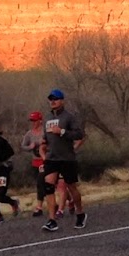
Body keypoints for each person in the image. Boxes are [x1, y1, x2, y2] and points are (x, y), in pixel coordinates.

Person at [41, 89, 86, 231]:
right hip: (52, 158)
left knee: (71, 187)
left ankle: (80, 214)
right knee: (48, 186)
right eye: (50, 99)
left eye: (55, 99)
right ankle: (52, 220)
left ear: (62, 101)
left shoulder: (69, 117)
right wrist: (43, 145)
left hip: (67, 158)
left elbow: (79, 134)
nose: (52, 101)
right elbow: (45, 138)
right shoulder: (47, 118)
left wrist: (61, 131)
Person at [22, 111, 53, 217]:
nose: (33, 123)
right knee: (42, 184)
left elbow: (52, 144)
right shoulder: (29, 134)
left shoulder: (45, 132)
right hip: (35, 162)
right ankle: (56, 203)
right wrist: (30, 147)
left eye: (34, 120)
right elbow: (23, 146)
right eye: (32, 121)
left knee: (41, 182)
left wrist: (44, 145)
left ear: (40, 121)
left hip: (45, 161)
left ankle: (39, 207)